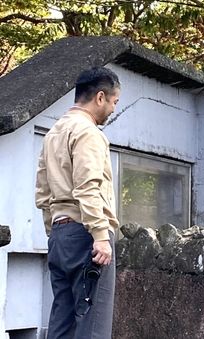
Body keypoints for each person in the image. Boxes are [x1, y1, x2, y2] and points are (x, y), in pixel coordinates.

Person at [35, 66, 121, 338]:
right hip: (86, 234)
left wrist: (55, 231)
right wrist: (100, 235)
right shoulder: (88, 133)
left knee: (62, 322)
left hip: (60, 236)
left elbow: (42, 192)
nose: (113, 109)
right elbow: (87, 187)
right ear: (100, 97)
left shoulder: (53, 134)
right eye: (114, 102)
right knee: (92, 324)